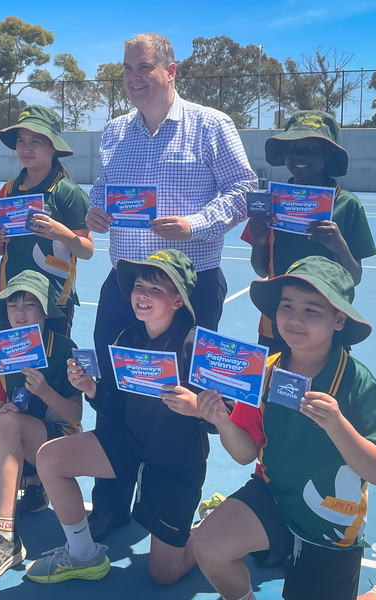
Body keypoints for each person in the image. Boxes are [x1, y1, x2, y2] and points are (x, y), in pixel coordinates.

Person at [84, 32, 256, 541]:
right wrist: (97, 208)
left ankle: (172, 504)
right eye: (127, 70)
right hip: (124, 282)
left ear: (171, 70)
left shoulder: (210, 126)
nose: (134, 79)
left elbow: (244, 190)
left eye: (143, 68)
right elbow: (104, 188)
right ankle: (111, 500)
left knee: (185, 398)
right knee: (115, 389)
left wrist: (196, 223)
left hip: (192, 285)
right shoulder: (115, 132)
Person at [191, 256, 376, 600]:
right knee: (208, 544)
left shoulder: (359, 385)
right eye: (287, 306)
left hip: (329, 516)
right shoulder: (265, 372)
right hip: (274, 494)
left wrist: (336, 423)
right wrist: (222, 421)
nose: (295, 319)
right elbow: (244, 455)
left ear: (339, 318)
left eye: (312, 309)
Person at [25, 249, 206, 586]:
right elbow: (114, 407)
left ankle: (209, 530)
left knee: (163, 574)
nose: (143, 296)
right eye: (139, 287)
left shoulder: (197, 348)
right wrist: (91, 389)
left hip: (175, 463)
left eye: (156, 289)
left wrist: (197, 406)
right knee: (49, 457)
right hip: (129, 444)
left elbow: (222, 421)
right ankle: (82, 553)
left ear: (178, 301)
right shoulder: (125, 338)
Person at [0, 271, 82, 583]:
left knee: (11, 423)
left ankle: (3, 535)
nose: (21, 313)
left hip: (57, 441)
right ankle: (33, 482)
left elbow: (75, 417)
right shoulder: (2, 352)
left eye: (30, 305)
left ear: (44, 312)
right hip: (15, 436)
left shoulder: (65, 349)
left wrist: (45, 392)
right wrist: (3, 415)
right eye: (13, 306)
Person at [242, 110, 376, 353]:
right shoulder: (269, 203)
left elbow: (354, 277)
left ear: (329, 154)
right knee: (273, 388)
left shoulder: (347, 204)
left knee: (323, 390)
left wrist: (339, 245)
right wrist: (258, 240)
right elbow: (263, 269)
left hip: (326, 325)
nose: (300, 154)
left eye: (313, 147)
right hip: (278, 323)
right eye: (292, 148)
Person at [0, 105, 93, 336]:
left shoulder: (68, 192)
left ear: (53, 147)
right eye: (21, 141)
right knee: (16, 367)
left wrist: (59, 232)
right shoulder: (8, 190)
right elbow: (0, 248)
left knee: (53, 367)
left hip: (55, 299)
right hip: (12, 298)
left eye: (35, 141)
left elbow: (87, 250)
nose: (26, 148)